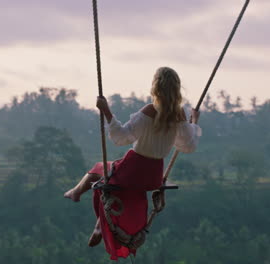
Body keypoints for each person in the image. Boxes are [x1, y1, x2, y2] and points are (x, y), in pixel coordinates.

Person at [64, 66, 201, 260]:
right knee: (117, 185)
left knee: (99, 169)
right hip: (153, 177)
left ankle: (76, 192)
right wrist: (194, 121)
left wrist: (106, 111)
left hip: (132, 170)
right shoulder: (178, 115)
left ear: (156, 88)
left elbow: (121, 137)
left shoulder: (149, 111)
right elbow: (188, 145)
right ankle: (98, 226)